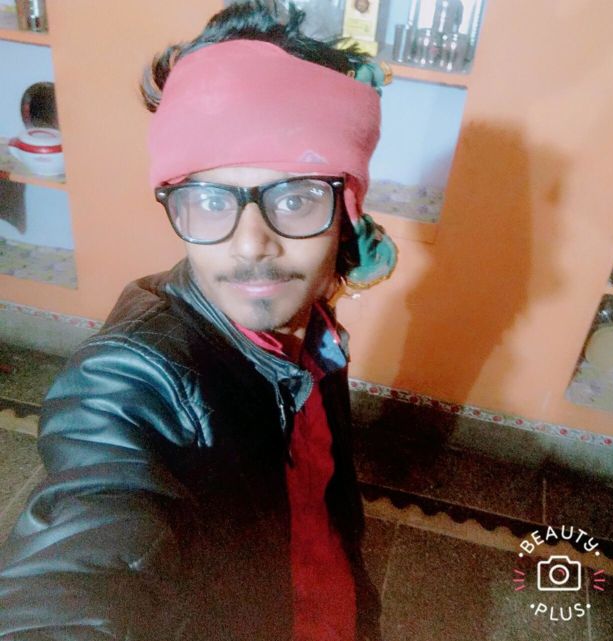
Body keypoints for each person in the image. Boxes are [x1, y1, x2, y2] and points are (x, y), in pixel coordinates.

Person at [0, 1, 396, 639]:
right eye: (210, 200)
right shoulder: (131, 375)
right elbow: (83, 558)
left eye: (295, 197)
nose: (251, 244)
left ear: (346, 208)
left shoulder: (314, 331)